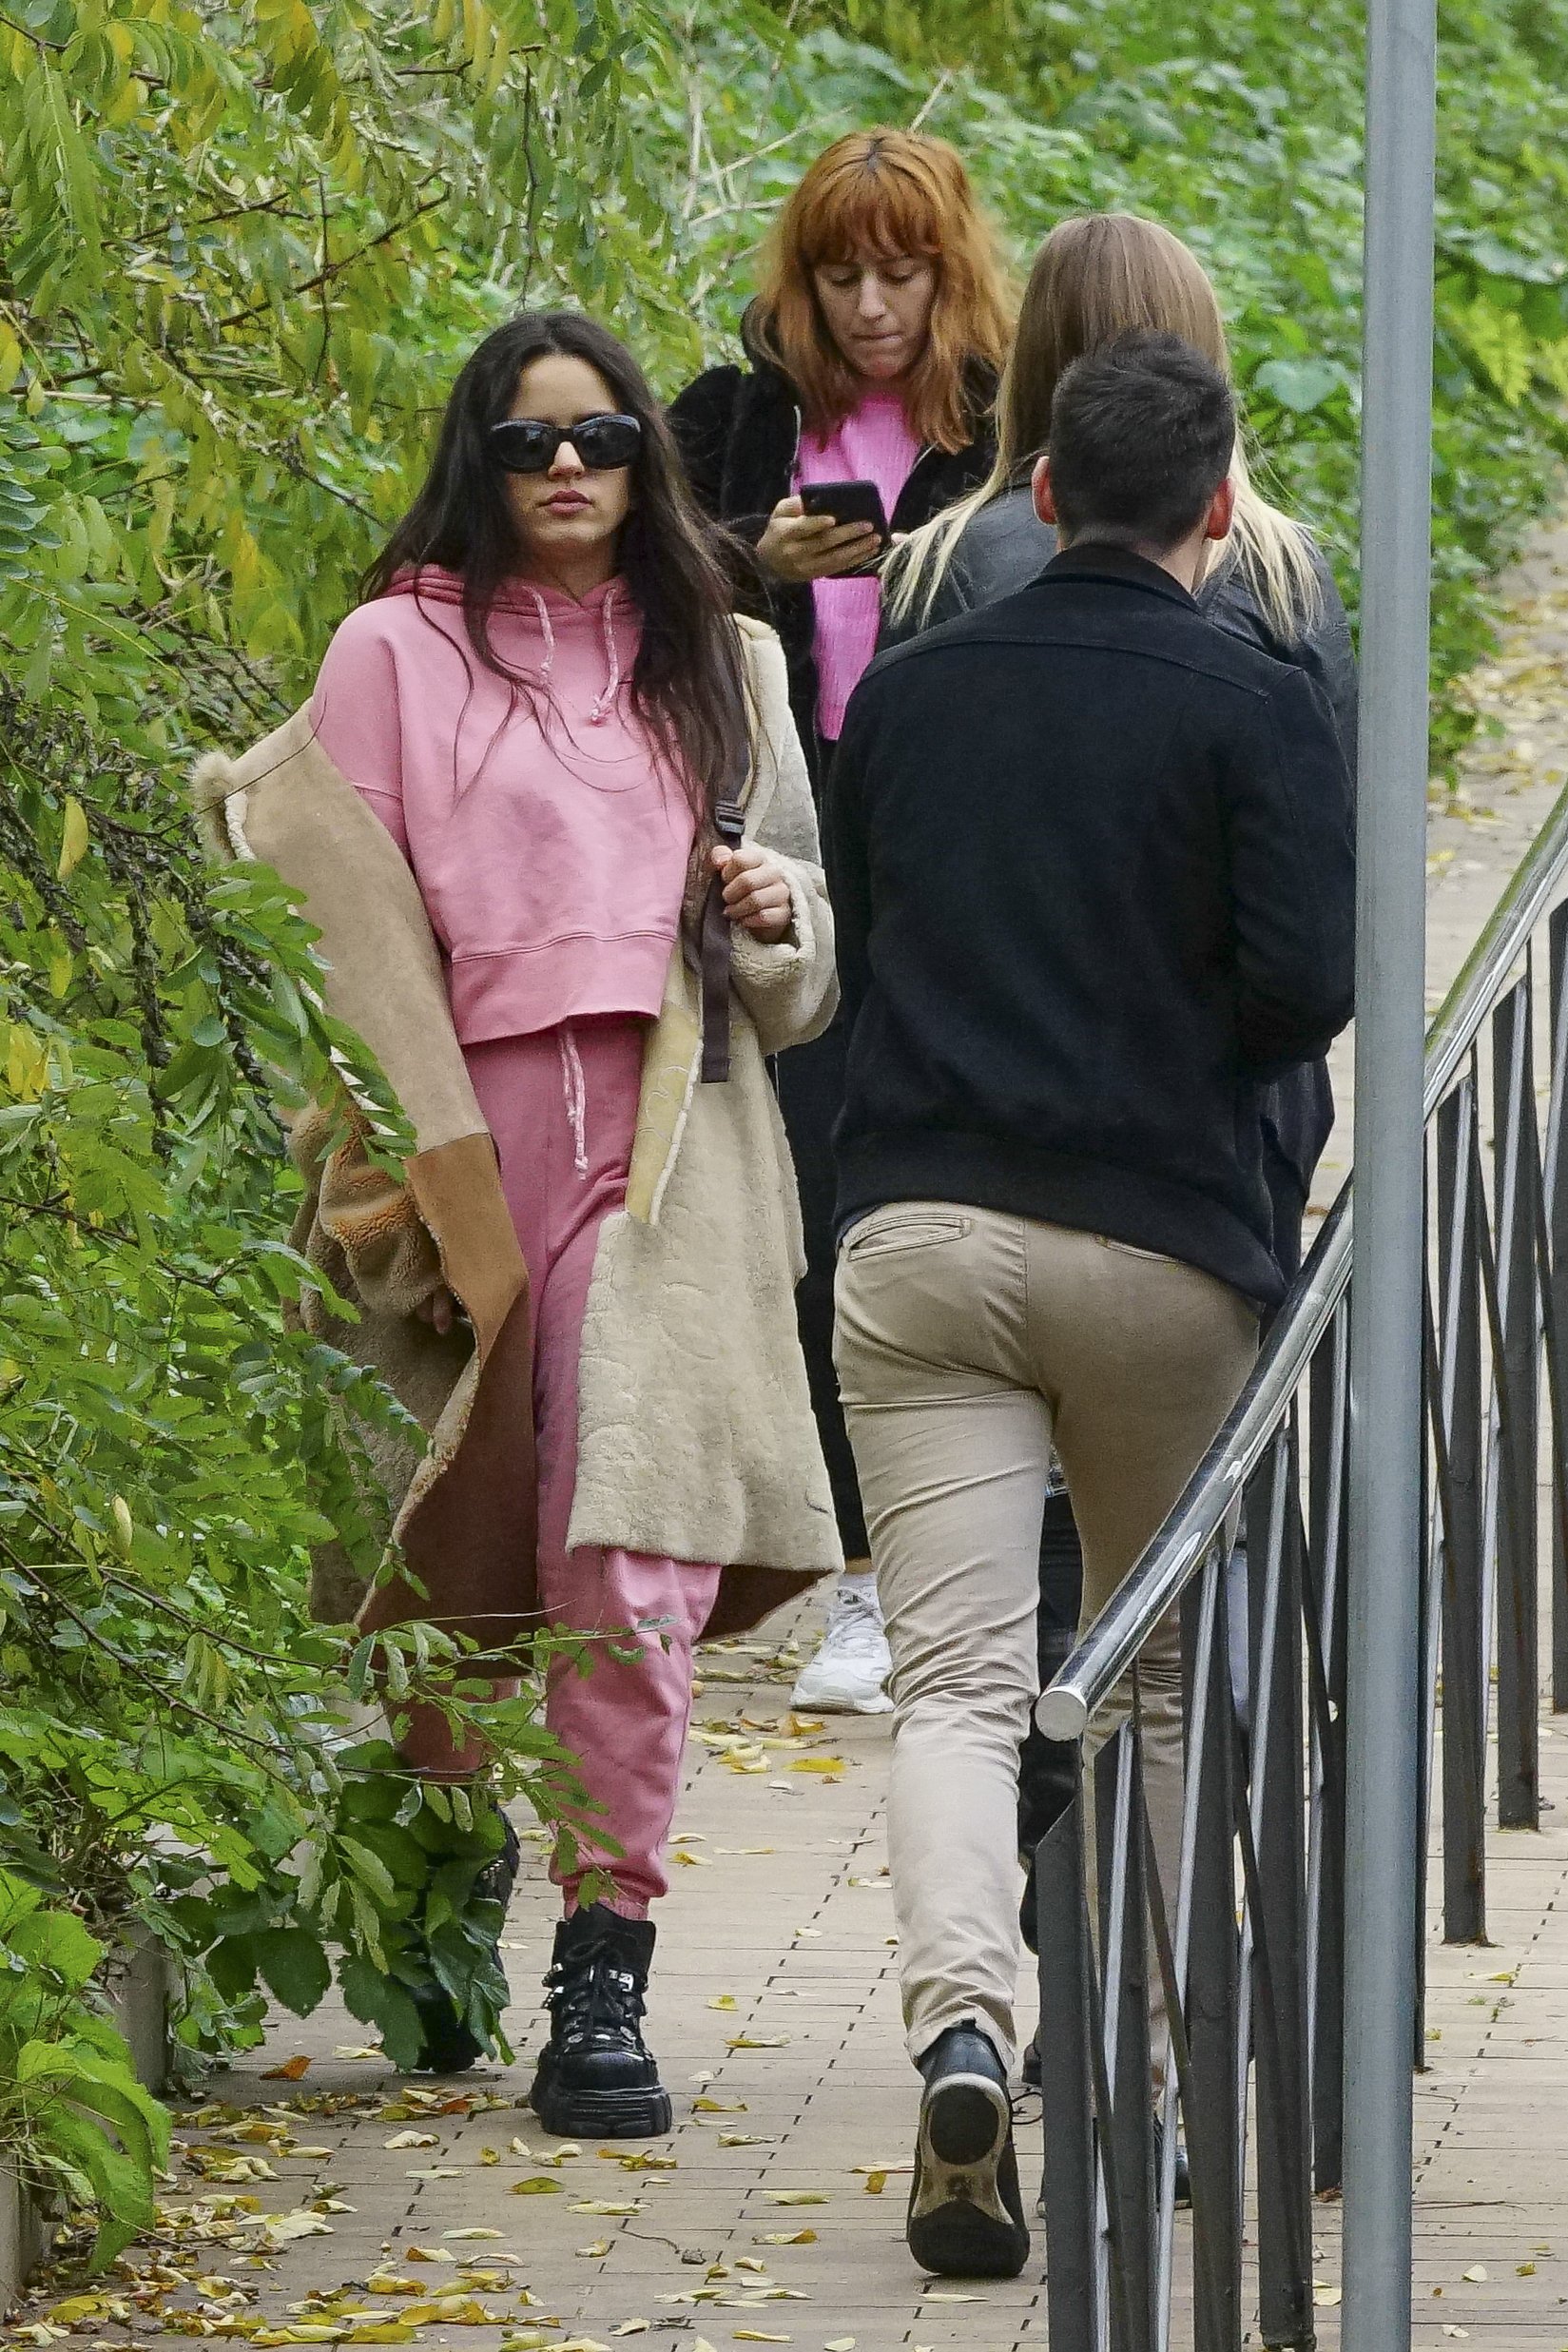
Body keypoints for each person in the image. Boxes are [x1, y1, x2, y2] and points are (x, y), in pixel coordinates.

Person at [197, 312, 841, 2127]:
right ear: (476, 459)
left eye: (603, 438)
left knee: (627, 1568)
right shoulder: (389, 652)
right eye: (526, 442)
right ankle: (442, 1881)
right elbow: (320, 914)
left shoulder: (724, 658)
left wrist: (770, 905)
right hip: (460, 1155)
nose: (567, 470)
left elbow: (806, 963)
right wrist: (382, 1162)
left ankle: (605, 1978)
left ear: (649, 458)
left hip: (668, 1156)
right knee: (452, 1561)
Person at [823, 332, 1355, 2277]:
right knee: (1157, 1685)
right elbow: (1305, 988)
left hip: (918, 1240)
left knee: (959, 1684)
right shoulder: (1255, 696)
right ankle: (1161, 2090)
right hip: (1162, 1252)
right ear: (1220, 507)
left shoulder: (915, 688)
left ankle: (969, 2028)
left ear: (1038, 493)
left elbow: (874, 942)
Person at [670, 129, 1011, 1714]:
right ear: (796, 279)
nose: (873, 305)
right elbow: (611, 602)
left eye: (903, 271)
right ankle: (861, 1580)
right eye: (840, 273)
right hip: (786, 866)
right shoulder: (730, 420)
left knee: (947, 1212)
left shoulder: (1013, 420)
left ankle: (976, 1568)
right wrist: (750, 562)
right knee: (808, 1209)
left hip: (957, 859)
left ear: (953, 270)